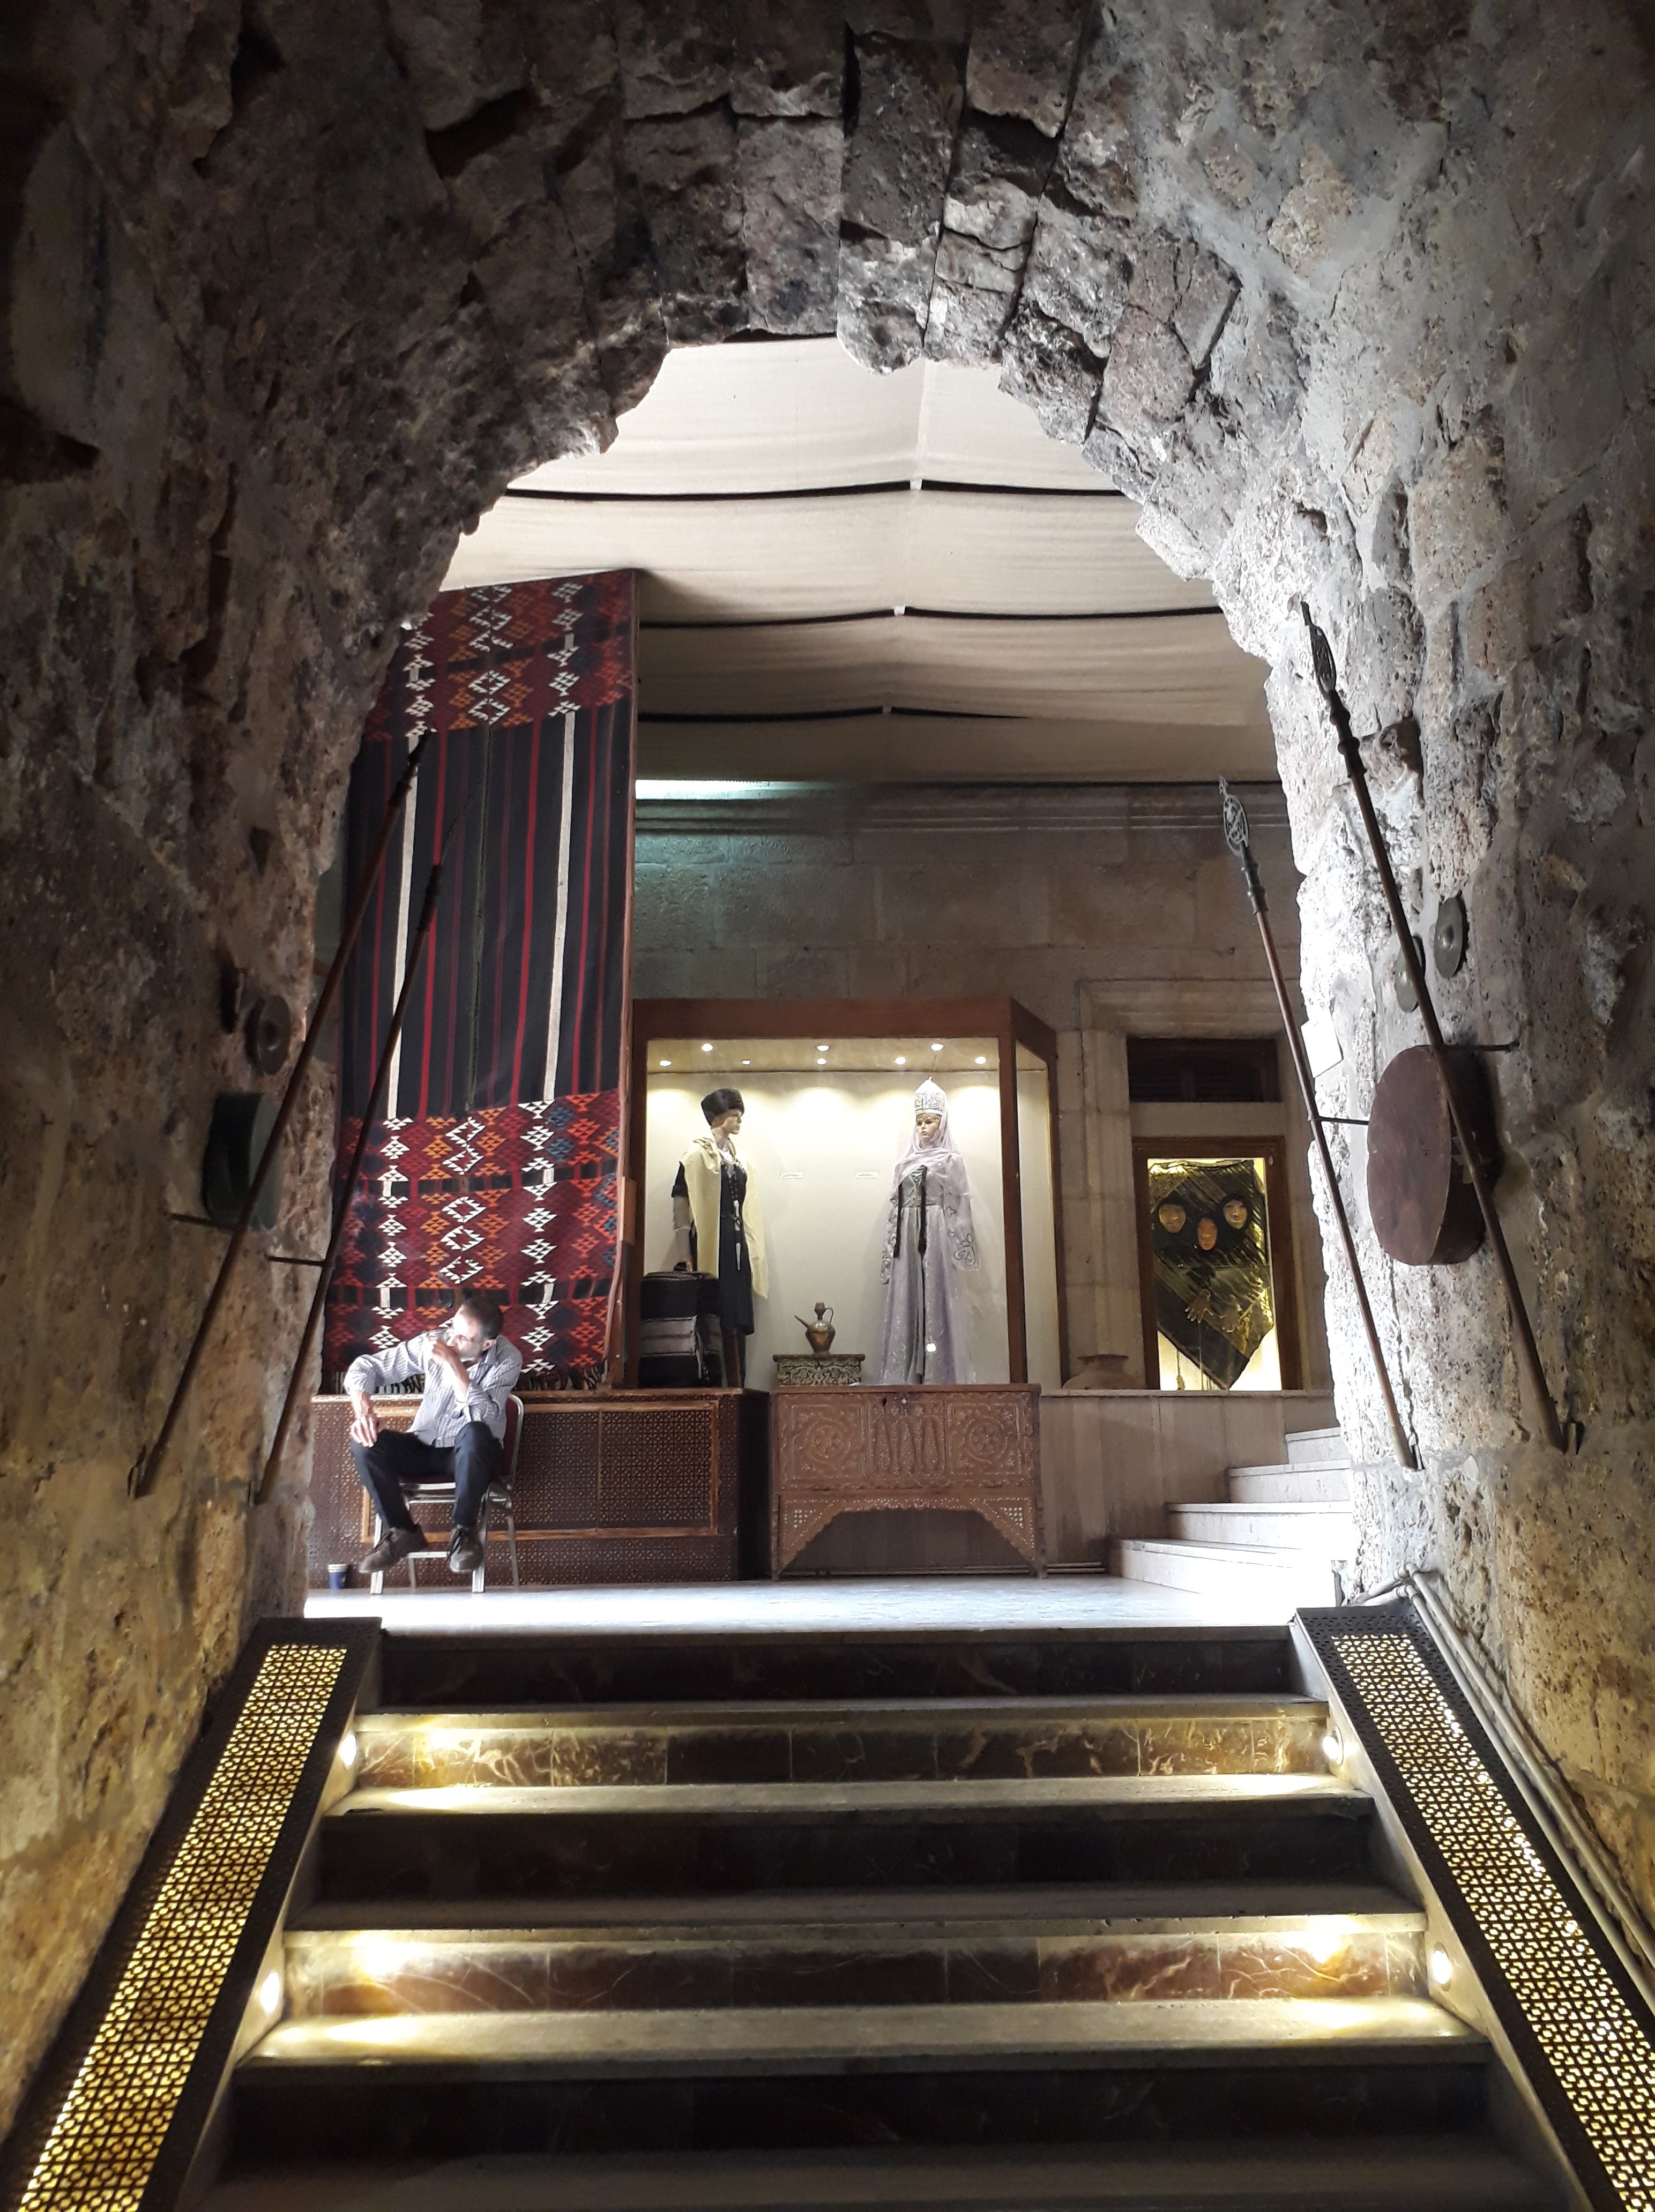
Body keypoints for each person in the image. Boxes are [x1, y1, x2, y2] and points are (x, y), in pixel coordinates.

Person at [345, 1288, 522, 1576]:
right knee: (366, 1442)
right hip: (423, 1446)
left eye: (463, 1338)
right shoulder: (434, 1341)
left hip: (473, 1456)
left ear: (487, 1344)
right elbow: (365, 1367)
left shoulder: (508, 1359)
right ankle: (402, 1531)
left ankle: (464, 1534)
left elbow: (483, 1418)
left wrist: (454, 1365)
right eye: (452, 1329)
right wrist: (363, 1411)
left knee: (475, 1432)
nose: (451, 1341)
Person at [876, 1079, 979, 1385]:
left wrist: (960, 1246)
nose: (923, 1127)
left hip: (935, 1231)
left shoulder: (951, 1161)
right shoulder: (903, 1164)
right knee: (906, 1295)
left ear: (942, 1122)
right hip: (908, 1233)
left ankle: (937, 1371)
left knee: (935, 1292)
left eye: (930, 1121)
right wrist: (890, 1249)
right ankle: (904, 1369)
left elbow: (959, 1204)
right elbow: (895, 1207)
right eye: (920, 1122)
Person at [670, 1087, 767, 1383]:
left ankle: (739, 1381)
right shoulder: (696, 1156)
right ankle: (714, 1381)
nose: (739, 1121)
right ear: (720, 1117)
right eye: (735, 1115)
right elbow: (681, 1202)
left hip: (737, 1241)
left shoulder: (740, 1160)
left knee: (738, 1311)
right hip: (713, 1239)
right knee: (716, 1308)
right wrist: (684, 1251)